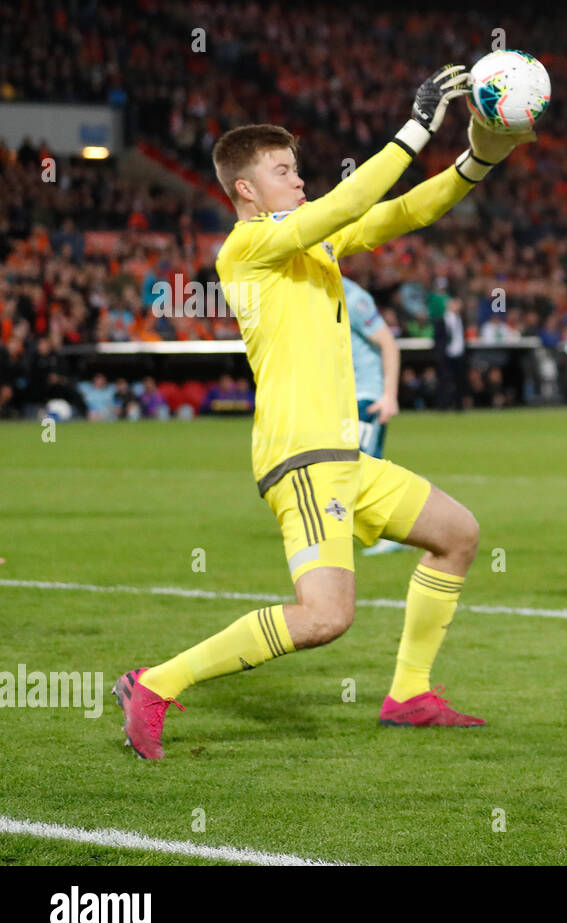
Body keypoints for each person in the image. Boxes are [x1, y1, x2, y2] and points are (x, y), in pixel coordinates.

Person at [112, 65, 534, 757]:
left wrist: (479, 157)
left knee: (457, 533)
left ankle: (410, 694)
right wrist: (417, 125)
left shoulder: (311, 239)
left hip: (347, 456)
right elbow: (344, 203)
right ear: (246, 190)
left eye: (297, 168)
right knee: (325, 617)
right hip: (302, 457)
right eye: (284, 171)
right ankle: (155, 683)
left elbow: (403, 211)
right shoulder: (246, 248)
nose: (299, 178)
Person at [345, 275, 408, 557]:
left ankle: (396, 531)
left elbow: (388, 343)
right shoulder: (320, 295)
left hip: (367, 395)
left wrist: (389, 396)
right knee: (349, 466)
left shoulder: (353, 298)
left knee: (362, 466)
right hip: (344, 397)